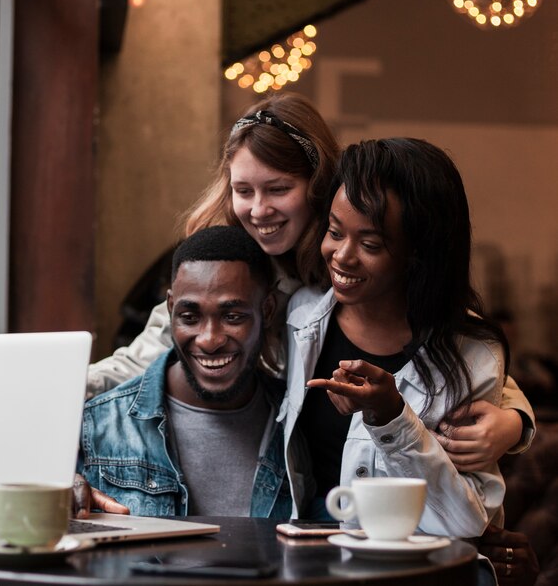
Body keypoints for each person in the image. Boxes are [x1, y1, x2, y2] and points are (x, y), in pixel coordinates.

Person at [86, 93, 535, 473]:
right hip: (264, 457)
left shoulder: (348, 260)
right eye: (244, 191)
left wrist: (515, 421)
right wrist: (63, 385)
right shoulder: (224, 258)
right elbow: (143, 357)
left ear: (319, 184)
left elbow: (455, 344)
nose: (258, 210)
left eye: (278, 189)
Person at [281, 137, 507, 537]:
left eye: (370, 244)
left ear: (419, 253)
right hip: (311, 556)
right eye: (334, 232)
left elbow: (466, 521)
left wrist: (390, 417)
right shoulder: (301, 317)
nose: (342, 255)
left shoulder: (472, 353)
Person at [74, 226, 311, 518]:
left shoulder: (298, 425)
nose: (209, 340)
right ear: (171, 308)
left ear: (269, 309)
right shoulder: (94, 426)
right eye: (189, 317)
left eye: (233, 317)